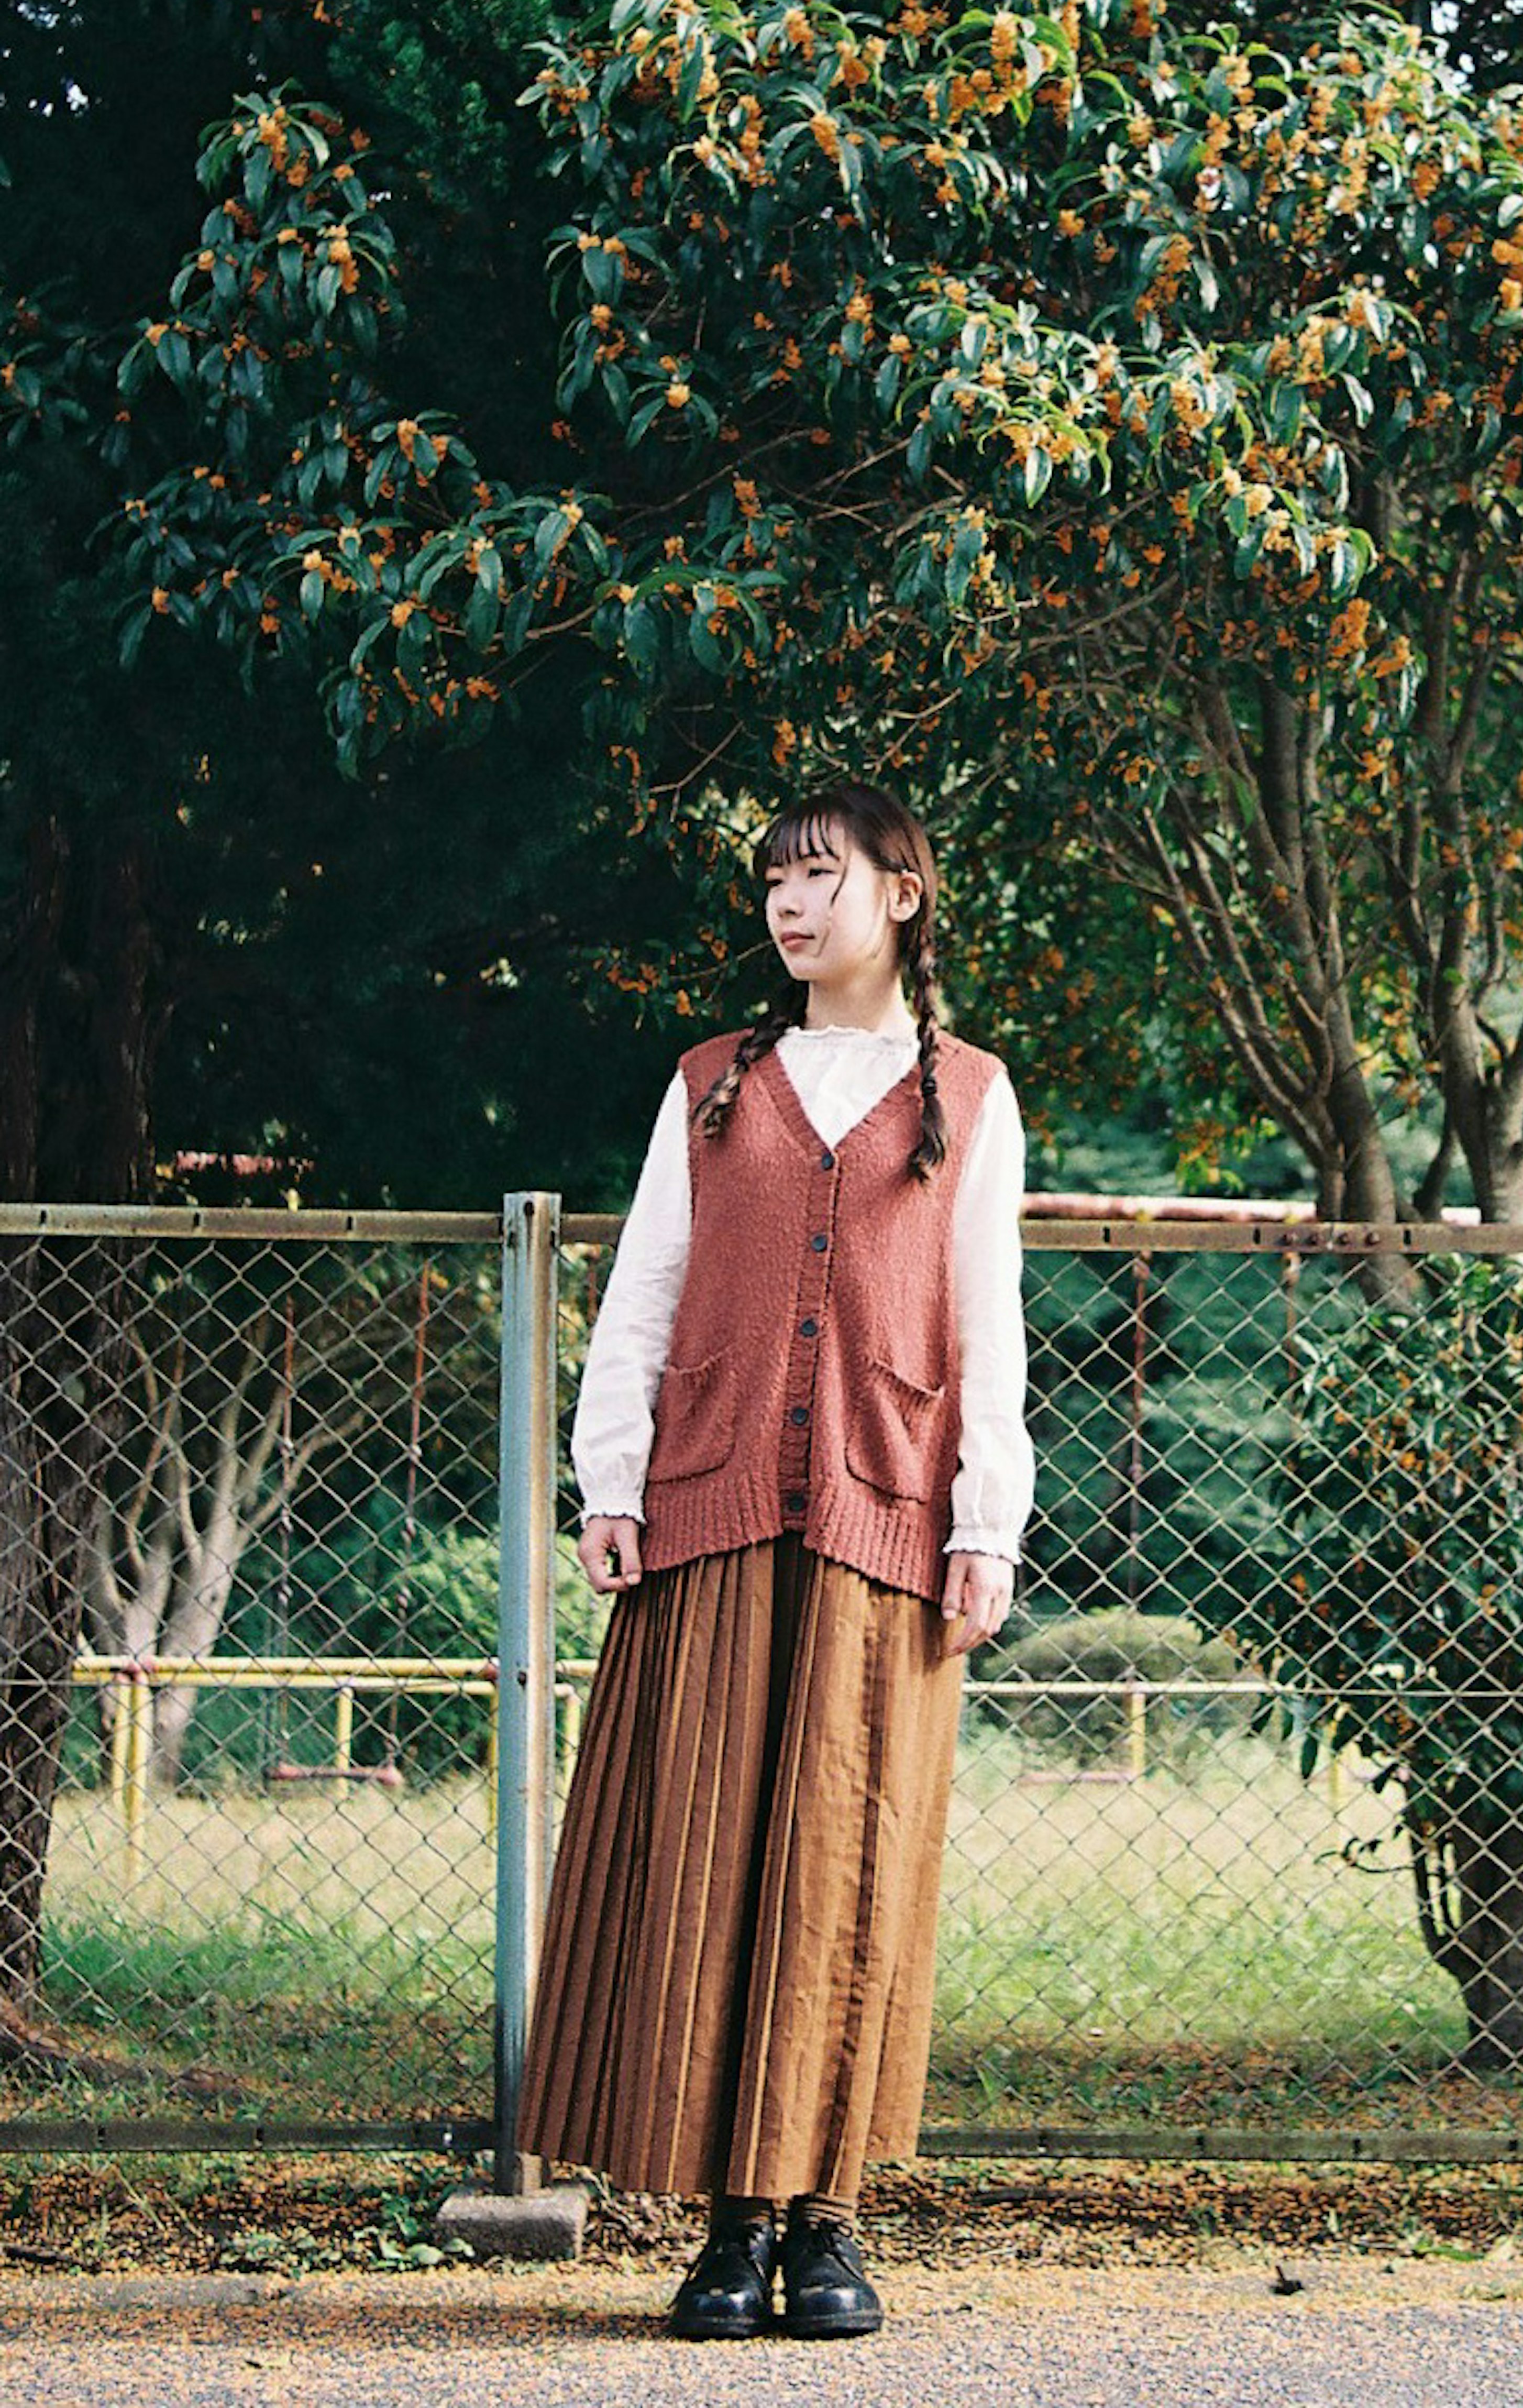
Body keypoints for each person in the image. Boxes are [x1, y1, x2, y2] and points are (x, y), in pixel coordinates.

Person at [517, 780, 1034, 2340]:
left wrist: (985, 1517)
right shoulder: (714, 1084)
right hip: (715, 1506)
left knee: (850, 1859)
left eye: (819, 877)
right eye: (773, 885)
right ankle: (725, 2229)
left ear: (903, 894)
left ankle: (828, 2224)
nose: (789, 906)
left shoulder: (974, 1093)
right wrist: (611, 1480)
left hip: (886, 1513)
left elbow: (987, 1318)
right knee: (712, 1854)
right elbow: (647, 1294)